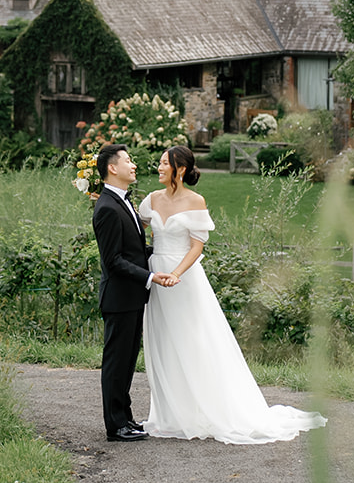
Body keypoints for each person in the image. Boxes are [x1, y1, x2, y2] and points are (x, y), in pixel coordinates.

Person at [137, 144, 326, 444]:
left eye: (164, 163)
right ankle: (172, 414)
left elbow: (197, 247)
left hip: (184, 279)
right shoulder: (151, 200)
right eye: (159, 163)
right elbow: (133, 227)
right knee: (164, 341)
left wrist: (176, 273)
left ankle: (207, 409)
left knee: (194, 341)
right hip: (157, 278)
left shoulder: (195, 201)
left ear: (180, 169)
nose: (158, 168)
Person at [91, 143, 178, 442]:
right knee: (116, 362)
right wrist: (151, 276)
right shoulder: (106, 208)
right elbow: (113, 261)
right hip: (119, 298)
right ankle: (115, 426)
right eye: (128, 160)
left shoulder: (122, 202)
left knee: (127, 361)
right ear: (112, 168)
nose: (134, 165)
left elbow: (134, 251)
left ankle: (125, 418)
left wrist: (168, 254)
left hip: (131, 297)